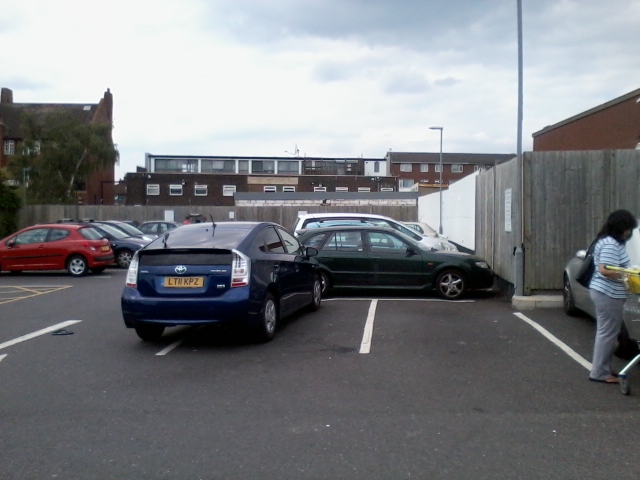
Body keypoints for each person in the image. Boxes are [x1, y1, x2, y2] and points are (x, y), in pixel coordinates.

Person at [589, 209, 638, 384]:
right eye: (628, 229)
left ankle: (603, 369)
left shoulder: (608, 241)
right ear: (620, 227)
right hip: (607, 293)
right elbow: (605, 269)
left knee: (607, 332)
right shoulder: (611, 244)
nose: (629, 233)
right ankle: (600, 372)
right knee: (607, 333)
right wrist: (626, 276)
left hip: (604, 292)